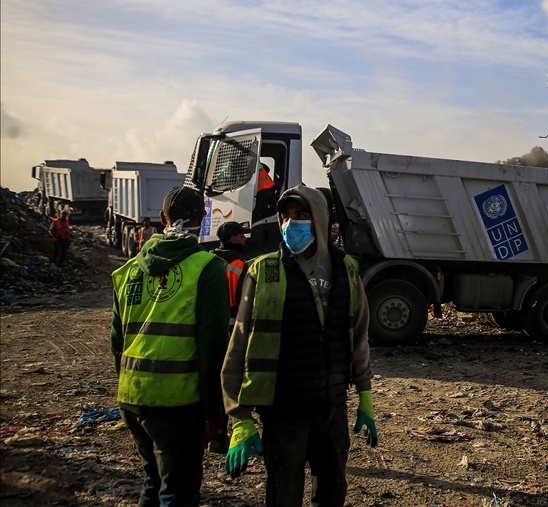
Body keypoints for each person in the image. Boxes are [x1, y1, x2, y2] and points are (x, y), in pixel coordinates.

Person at [221, 185, 376, 507]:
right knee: (283, 489)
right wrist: (239, 416)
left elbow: (358, 335)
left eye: (301, 215)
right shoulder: (264, 270)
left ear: (319, 219)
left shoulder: (346, 269)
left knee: (332, 488)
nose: (292, 223)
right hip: (282, 407)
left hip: (331, 405)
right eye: (286, 216)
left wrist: (364, 395)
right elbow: (239, 343)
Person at [111, 187, 229, 507]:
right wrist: (215, 411)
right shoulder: (207, 268)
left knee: (154, 478)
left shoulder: (128, 271)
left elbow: (116, 341)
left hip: (132, 396)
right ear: (203, 219)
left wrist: (131, 385)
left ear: (162, 218)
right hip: (178, 402)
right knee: (178, 489)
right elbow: (212, 346)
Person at [208, 221, 249, 455]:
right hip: (231, 327)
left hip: (207, 327)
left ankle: (212, 434)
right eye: (242, 236)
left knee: (210, 381)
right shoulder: (238, 263)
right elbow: (240, 301)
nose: (245, 239)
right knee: (230, 382)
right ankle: (227, 434)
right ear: (234, 239)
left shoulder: (208, 259)